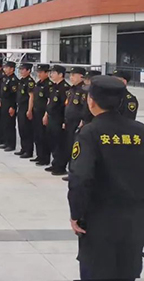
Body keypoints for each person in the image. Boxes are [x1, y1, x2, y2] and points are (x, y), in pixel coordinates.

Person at [68, 75, 144, 281]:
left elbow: (80, 178)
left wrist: (76, 213)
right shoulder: (140, 131)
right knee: (126, 271)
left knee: (97, 271)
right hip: (135, 220)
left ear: (91, 101)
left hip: (100, 219)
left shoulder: (90, 133)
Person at [54, 67, 87, 176]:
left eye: (73, 75)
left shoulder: (83, 90)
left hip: (77, 123)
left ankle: (74, 172)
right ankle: (65, 168)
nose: (71, 77)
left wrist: (82, 121)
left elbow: (84, 108)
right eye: (70, 75)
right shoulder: (72, 89)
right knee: (67, 146)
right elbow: (67, 106)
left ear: (81, 76)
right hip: (69, 122)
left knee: (75, 148)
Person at [44, 65, 71, 176]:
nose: (51, 75)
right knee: (52, 141)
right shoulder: (53, 87)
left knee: (60, 143)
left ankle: (60, 166)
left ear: (60, 75)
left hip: (59, 119)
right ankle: (55, 163)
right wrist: (46, 115)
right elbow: (50, 102)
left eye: (54, 73)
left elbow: (66, 107)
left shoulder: (65, 88)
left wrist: (65, 121)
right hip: (51, 117)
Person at [31, 64, 55, 166]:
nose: (39, 74)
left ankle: (45, 158)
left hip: (43, 113)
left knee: (43, 136)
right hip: (36, 112)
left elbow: (49, 101)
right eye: (38, 72)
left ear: (47, 73)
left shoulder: (49, 85)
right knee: (37, 135)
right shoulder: (38, 84)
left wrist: (46, 114)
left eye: (41, 72)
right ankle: (39, 155)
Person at [0, 61, 19, 152]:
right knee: (4, 124)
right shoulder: (5, 78)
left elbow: (14, 96)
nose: (5, 69)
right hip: (4, 103)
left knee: (10, 124)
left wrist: (13, 107)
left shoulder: (14, 80)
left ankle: (11, 144)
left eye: (7, 68)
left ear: (12, 69)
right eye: (5, 67)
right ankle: (6, 142)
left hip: (10, 104)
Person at [15, 63, 35, 158]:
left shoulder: (30, 82)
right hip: (20, 107)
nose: (21, 71)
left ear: (28, 71)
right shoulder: (21, 81)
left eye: (23, 69)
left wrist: (29, 110)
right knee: (21, 129)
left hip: (26, 107)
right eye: (20, 69)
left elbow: (31, 97)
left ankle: (28, 150)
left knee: (27, 130)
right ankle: (23, 148)